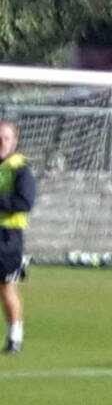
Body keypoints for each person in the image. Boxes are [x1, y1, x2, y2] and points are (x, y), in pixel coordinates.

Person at [0, 119, 35, 356]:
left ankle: (15, 336)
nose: (1, 143)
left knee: (6, 288)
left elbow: (24, 202)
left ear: (15, 141)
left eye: (5, 138)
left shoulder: (20, 169)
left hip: (7, 239)